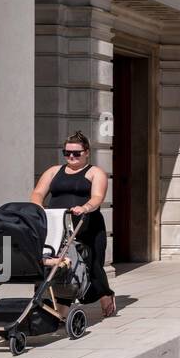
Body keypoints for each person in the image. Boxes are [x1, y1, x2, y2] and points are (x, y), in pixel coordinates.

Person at [30, 131, 116, 318]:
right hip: (58, 225)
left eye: (76, 153)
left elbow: (97, 197)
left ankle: (105, 294)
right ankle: (60, 303)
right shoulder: (54, 171)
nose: (71, 157)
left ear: (86, 152)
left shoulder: (95, 173)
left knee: (93, 265)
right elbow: (37, 193)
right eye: (67, 153)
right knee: (63, 263)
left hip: (87, 224)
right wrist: (38, 207)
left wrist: (85, 207)